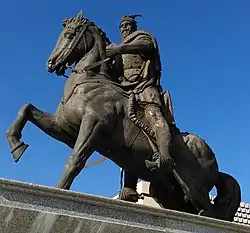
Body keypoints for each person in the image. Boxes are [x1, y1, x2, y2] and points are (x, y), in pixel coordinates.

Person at [106, 15, 175, 172]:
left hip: (144, 87)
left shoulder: (141, 37)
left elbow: (146, 47)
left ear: (133, 27)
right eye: (121, 26)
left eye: (127, 25)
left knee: (153, 115)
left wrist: (119, 49)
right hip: (125, 90)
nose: (124, 28)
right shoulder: (117, 50)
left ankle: (164, 156)